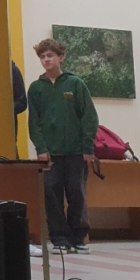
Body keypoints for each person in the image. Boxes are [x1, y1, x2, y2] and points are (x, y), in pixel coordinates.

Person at [29, 38, 98, 256]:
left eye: (50, 55)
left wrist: (88, 147)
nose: (46, 60)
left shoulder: (75, 83)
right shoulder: (36, 88)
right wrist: (41, 148)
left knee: (77, 193)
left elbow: (89, 117)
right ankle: (59, 239)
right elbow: (34, 122)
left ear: (61, 57)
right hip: (50, 154)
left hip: (76, 151)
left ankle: (78, 238)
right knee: (52, 195)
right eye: (42, 57)